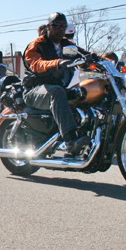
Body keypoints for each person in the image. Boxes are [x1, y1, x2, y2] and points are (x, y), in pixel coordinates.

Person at [23, 12, 96, 156]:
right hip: (34, 89)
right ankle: (70, 140)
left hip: (58, 87)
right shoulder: (37, 44)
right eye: (57, 25)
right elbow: (36, 64)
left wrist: (109, 61)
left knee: (83, 92)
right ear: (49, 26)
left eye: (64, 26)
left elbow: (87, 55)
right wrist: (58, 63)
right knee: (56, 91)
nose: (61, 29)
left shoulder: (67, 45)